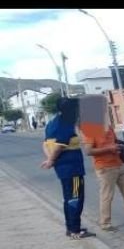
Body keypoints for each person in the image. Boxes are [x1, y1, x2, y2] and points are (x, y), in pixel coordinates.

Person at [40, 97, 91, 240]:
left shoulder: (52, 123)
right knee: (75, 198)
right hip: (72, 169)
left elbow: (45, 144)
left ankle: (71, 227)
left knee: (68, 198)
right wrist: (51, 160)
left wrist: (51, 160)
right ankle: (75, 230)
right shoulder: (66, 123)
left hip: (63, 169)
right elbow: (60, 145)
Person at [81, 120, 124, 231]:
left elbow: (114, 141)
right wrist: (109, 149)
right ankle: (105, 223)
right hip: (105, 168)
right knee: (107, 196)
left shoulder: (109, 126)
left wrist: (121, 146)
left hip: (119, 164)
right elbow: (88, 151)